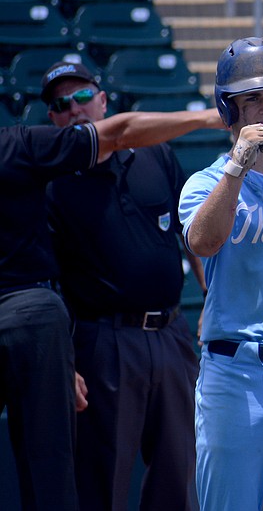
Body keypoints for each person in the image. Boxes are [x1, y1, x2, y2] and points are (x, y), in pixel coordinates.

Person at [0, 72, 222, 511]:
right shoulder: (49, 181)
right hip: (105, 341)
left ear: (103, 100)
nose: (75, 108)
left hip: (170, 332)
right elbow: (50, 279)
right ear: (53, 119)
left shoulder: (155, 153)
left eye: (82, 97)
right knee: (103, 480)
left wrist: (209, 295)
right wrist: (68, 362)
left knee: (179, 474)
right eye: (62, 105)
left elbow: (190, 231)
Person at [177, 37, 263, 510]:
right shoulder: (207, 181)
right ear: (229, 110)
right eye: (252, 99)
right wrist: (237, 167)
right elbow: (203, 243)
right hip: (235, 373)